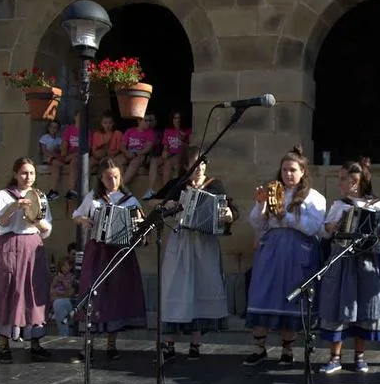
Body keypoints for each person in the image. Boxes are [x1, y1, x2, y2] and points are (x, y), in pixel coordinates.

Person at [244, 146, 326, 366]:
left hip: (298, 251)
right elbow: (257, 223)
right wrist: (261, 204)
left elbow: (314, 227)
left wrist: (286, 217)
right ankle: (259, 347)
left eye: (292, 170)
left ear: (302, 172)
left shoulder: (313, 197)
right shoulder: (273, 191)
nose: (288, 174)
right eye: (284, 170)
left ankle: (287, 349)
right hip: (272, 250)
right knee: (263, 293)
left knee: (292, 297)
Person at [317, 158, 380, 374]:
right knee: (339, 306)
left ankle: (360, 357)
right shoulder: (339, 206)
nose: (339, 184)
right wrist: (332, 227)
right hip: (342, 263)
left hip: (367, 264)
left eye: (343, 179)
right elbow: (323, 231)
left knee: (364, 307)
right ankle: (335, 357)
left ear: (356, 182)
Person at [159, 147, 238, 360]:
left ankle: (195, 344)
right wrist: (168, 204)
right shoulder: (178, 185)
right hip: (182, 242)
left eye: (202, 163)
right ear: (187, 165)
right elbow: (154, 201)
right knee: (176, 289)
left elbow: (231, 210)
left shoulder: (215, 186)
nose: (200, 168)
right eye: (195, 164)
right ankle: (169, 344)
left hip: (204, 243)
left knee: (201, 288)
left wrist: (228, 214)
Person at [71, 158, 147, 361]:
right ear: (101, 178)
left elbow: (142, 223)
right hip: (97, 252)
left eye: (116, 177)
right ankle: (87, 345)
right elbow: (76, 215)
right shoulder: (94, 197)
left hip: (119, 253)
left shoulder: (129, 200)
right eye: (108, 178)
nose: (113, 181)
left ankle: (111, 345)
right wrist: (84, 220)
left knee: (115, 297)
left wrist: (137, 221)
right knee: (92, 296)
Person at [0, 157, 53, 363]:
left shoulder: (39, 196)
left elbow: (46, 228)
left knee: (33, 291)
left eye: (31, 173)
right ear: (15, 174)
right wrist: (14, 207)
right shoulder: (4, 196)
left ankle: (35, 343)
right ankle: (4, 345)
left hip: (32, 246)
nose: (28, 177)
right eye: (24, 173)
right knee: (7, 290)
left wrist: (35, 220)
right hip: (10, 246)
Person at [49, 256, 75, 338]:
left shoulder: (71, 277)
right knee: (56, 302)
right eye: (62, 266)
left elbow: (69, 290)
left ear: (70, 267)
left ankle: (64, 334)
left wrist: (63, 281)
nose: (63, 268)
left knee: (58, 303)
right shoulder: (58, 276)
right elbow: (52, 288)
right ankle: (52, 312)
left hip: (67, 300)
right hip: (58, 296)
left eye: (65, 266)